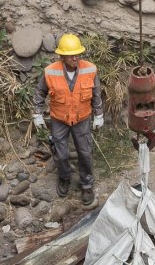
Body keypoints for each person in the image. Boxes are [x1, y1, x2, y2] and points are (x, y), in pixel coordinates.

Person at [32, 33, 104, 207]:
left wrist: (99, 114)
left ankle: (86, 184)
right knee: (61, 153)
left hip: (82, 118)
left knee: (85, 153)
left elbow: (96, 94)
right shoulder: (50, 71)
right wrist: (37, 113)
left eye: (77, 53)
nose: (75, 57)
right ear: (62, 56)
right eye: (71, 55)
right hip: (59, 119)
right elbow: (40, 93)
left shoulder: (90, 69)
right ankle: (64, 177)